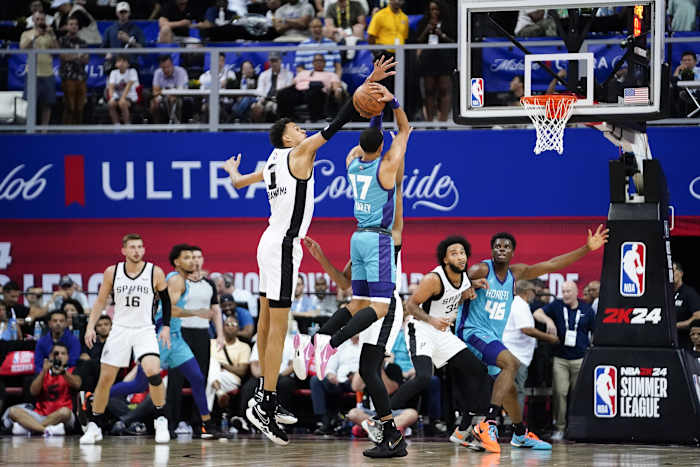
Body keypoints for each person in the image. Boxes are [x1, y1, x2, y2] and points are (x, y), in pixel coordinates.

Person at [221, 56, 395, 446]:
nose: (303, 130)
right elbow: (335, 126)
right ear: (287, 137)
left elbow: (241, 183)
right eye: (297, 128)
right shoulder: (298, 154)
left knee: (267, 324)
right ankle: (265, 402)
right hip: (283, 244)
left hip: (270, 242)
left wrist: (234, 175)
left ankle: (263, 398)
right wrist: (364, 87)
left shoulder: (272, 160)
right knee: (278, 329)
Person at [297, 77, 411, 459]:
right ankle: (329, 342)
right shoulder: (388, 174)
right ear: (383, 149)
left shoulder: (351, 164)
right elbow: (406, 130)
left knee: (367, 359)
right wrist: (392, 102)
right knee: (373, 316)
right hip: (379, 252)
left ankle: (321, 338)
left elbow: (371, 139)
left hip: (357, 236)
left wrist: (373, 113)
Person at [456, 226, 609, 453]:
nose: (501, 249)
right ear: (491, 250)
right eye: (497, 246)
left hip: (491, 335)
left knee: (507, 387)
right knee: (511, 363)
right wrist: (465, 290)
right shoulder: (480, 269)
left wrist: (586, 248)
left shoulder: (514, 274)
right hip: (472, 331)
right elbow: (454, 290)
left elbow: (552, 264)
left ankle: (519, 433)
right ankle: (487, 424)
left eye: (506, 246)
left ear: (512, 253)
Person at [384, 235, 491, 450]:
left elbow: (453, 297)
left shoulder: (464, 277)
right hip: (421, 328)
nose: (460, 257)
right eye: (454, 253)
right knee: (424, 377)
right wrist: (431, 319)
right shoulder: (433, 279)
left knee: (480, 372)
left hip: (442, 332)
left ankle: (463, 430)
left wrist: (473, 287)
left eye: (462, 252)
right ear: (444, 259)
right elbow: (411, 305)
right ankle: (380, 417)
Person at [80, 233, 172, 444]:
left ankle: (161, 418)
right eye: (132, 247)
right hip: (120, 329)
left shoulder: (154, 272)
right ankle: (94, 425)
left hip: (144, 329)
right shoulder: (112, 272)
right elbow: (100, 302)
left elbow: (166, 302)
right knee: (106, 379)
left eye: (140, 247)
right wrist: (90, 327)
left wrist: (165, 326)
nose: (137, 251)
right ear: (123, 251)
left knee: (153, 371)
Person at [162, 244, 225, 437]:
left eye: (198, 257)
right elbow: (169, 308)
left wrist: (220, 334)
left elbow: (215, 310)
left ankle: (200, 425)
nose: (195, 260)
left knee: (201, 379)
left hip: (201, 335)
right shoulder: (177, 281)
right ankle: (170, 425)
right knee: (175, 380)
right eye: (191, 257)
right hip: (180, 334)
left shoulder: (209, 284)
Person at [534, 280, 594, 440]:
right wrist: (549, 320)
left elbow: (595, 331)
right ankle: (559, 427)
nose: (565, 294)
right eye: (563, 291)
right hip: (560, 358)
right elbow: (537, 313)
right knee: (560, 392)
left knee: (577, 395)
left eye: (568, 291)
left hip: (580, 359)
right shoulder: (557, 305)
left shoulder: (586, 309)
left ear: (576, 292)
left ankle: (575, 428)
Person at [502, 280, 559, 419]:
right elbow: (526, 329)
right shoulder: (520, 305)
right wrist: (549, 338)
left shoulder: (517, 304)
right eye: (534, 292)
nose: (535, 295)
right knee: (517, 391)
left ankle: (508, 423)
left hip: (514, 354)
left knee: (510, 389)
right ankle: (515, 425)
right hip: (516, 355)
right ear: (527, 292)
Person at [8, 343, 80, 436]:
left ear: (67, 357)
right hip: (41, 415)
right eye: (56, 353)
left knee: (65, 412)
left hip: (62, 416)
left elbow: (77, 385)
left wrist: (63, 372)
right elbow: (33, 392)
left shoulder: (72, 371)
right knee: (13, 411)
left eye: (63, 354)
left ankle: (30, 428)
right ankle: (45, 430)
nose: (59, 356)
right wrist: (44, 371)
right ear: (50, 356)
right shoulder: (43, 372)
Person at [414, 0, 456, 122]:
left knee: (444, 89)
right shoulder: (424, 22)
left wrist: (441, 34)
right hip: (428, 59)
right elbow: (418, 41)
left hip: (444, 58)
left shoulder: (448, 23)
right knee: (429, 90)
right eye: (432, 9)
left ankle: (443, 120)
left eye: (436, 9)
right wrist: (427, 29)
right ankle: (430, 120)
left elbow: (454, 41)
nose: (434, 12)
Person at [310, 334, 360, 435]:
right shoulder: (342, 345)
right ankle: (324, 421)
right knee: (316, 380)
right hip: (339, 380)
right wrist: (330, 374)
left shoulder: (366, 344)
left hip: (358, 380)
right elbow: (330, 365)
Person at [277, 53, 344, 122]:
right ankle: (287, 120)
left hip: (319, 94)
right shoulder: (303, 73)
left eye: (320, 61)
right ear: (313, 63)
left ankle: (315, 120)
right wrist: (281, 91)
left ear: (324, 63)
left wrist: (338, 91)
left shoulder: (331, 74)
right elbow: (292, 85)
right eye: (316, 61)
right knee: (283, 94)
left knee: (314, 91)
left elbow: (336, 87)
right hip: (300, 93)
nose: (318, 63)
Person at [20, 11, 58, 127]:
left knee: (47, 104)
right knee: (32, 103)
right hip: (32, 73)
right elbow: (22, 48)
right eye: (38, 19)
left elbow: (57, 51)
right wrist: (34, 36)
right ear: (33, 20)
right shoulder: (27, 33)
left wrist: (53, 36)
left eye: (42, 19)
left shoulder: (49, 34)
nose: (40, 22)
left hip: (47, 72)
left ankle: (44, 130)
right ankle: (30, 128)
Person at [206, 314, 251, 411]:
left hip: (230, 378)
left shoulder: (244, 347)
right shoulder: (212, 343)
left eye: (233, 324)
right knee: (211, 369)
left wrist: (222, 365)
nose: (230, 326)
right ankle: (219, 392)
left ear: (238, 328)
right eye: (227, 324)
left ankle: (204, 417)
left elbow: (242, 371)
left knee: (211, 369)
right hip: (211, 374)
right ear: (222, 327)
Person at [251, 51, 295, 123]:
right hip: (265, 99)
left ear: (280, 61)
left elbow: (288, 92)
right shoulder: (264, 74)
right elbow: (260, 90)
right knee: (255, 107)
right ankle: (258, 130)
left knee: (273, 107)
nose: (273, 63)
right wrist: (261, 101)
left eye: (276, 61)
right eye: (272, 61)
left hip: (279, 101)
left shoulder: (288, 75)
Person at [150, 54, 188, 124]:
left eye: (168, 67)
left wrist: (165, 91)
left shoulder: (181, 71)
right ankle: (157, 128)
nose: (166, 70)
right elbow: (155, 91)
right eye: (163, 67)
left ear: (172, 65)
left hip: (178, 97)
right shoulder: (158, 72)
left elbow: (181, 90)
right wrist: (166, 93)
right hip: (162, 97)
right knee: (154, 103)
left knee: (173, 100)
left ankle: (176, 125)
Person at [673, 261, 700, 351]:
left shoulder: (689, 293)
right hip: (668, 340)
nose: (671, 274)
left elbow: (697, 317)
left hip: (685, 343)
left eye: (673, 270)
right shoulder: (665, 294)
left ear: (681, 273)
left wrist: (676, 326)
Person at [107, 54, 140, 125]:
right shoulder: (113, 73)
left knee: (122, 103)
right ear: (116, 64)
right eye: (119, 61)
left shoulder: (132, 71)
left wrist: (122, 98)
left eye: (124, 61)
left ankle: (127, 124)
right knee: (111, 104)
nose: (121, 63)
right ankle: (116, 125)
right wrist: (112, 98)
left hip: (130, 97)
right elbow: (111, 87)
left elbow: (128, 86)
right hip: (117, 97)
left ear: (128, 64)